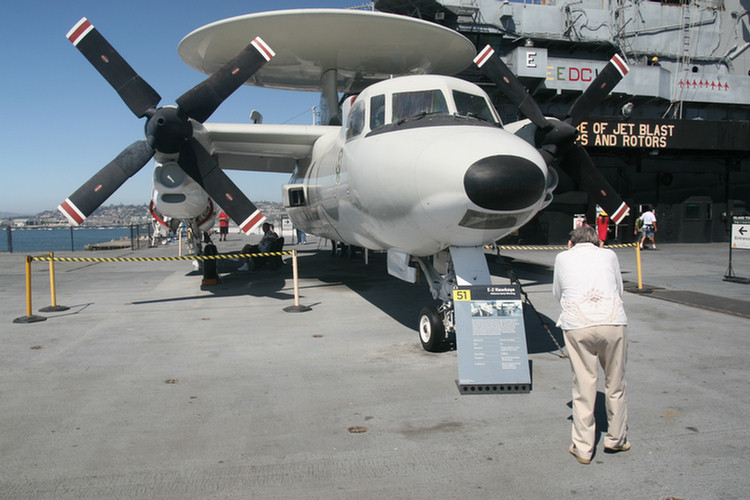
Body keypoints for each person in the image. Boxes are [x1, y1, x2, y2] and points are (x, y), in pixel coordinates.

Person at [553, 225, 630, 464]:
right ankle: (616, 439)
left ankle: (584, 447)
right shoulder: (609, 255)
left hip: (578, 323)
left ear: (570, 243)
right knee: (615, 383)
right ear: (599, 243)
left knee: (584, 385)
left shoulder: (562, 257)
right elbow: (619, 287)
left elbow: (558, 292)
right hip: (612, 321)